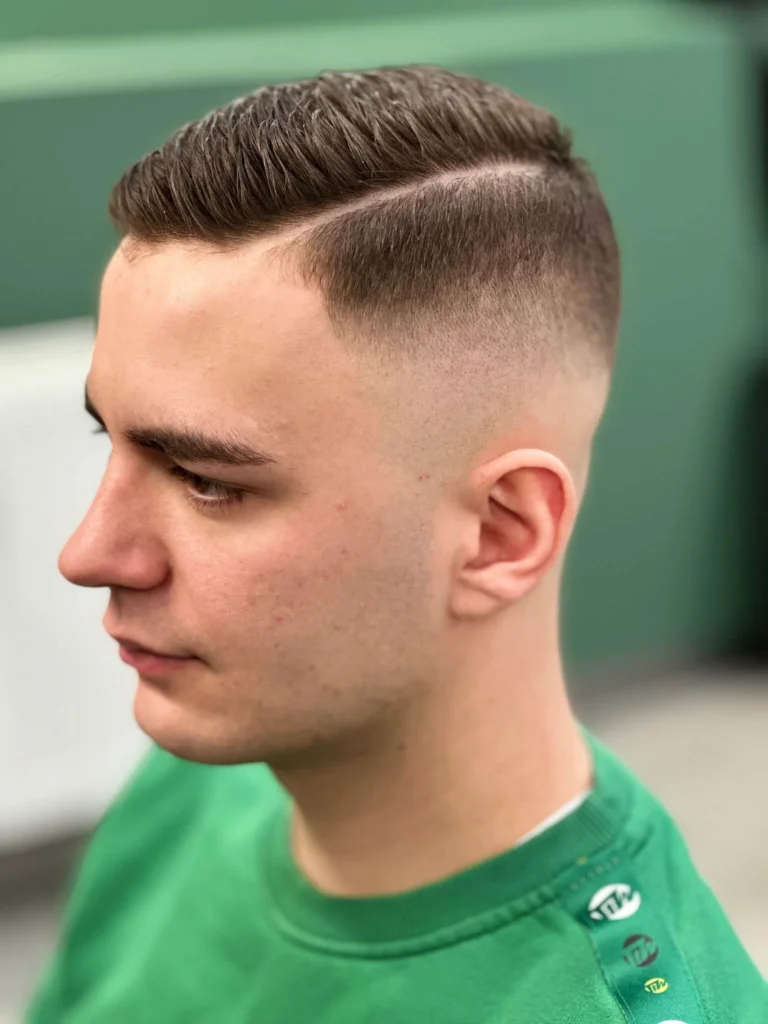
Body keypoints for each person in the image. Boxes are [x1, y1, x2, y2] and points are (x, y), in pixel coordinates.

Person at [27, 65, 766, 1023]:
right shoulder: (203, 777)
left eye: (209, 480)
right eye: (109, 438)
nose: (88, 553)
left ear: (500, 534)